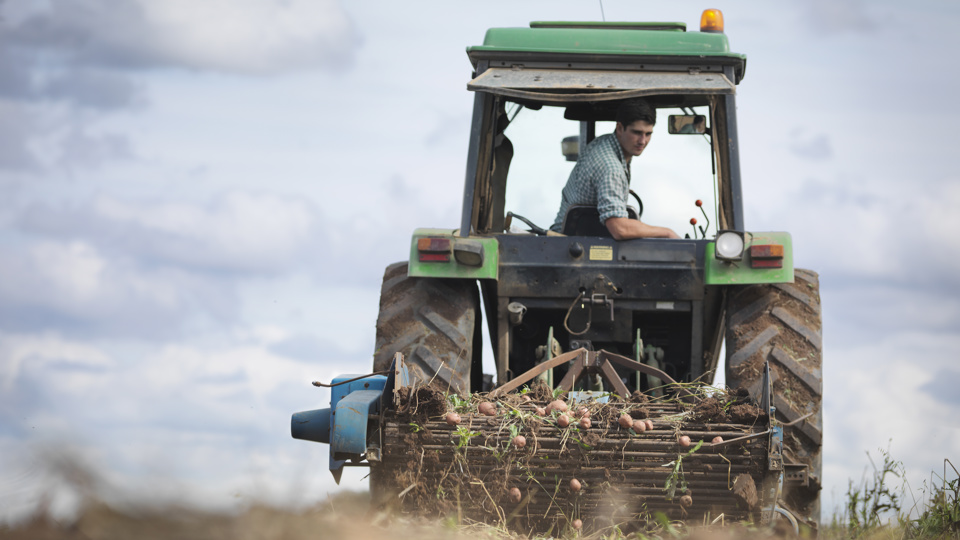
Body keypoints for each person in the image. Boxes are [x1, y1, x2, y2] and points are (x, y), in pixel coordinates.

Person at [550, 99, 679, 240]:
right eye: (637, 132)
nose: (642, 141)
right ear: (619, 128)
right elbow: (619, 229)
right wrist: (667, 233)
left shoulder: (604, 143)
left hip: (579, 241)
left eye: (648, 134)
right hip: (567, 245)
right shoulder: (611, 168)